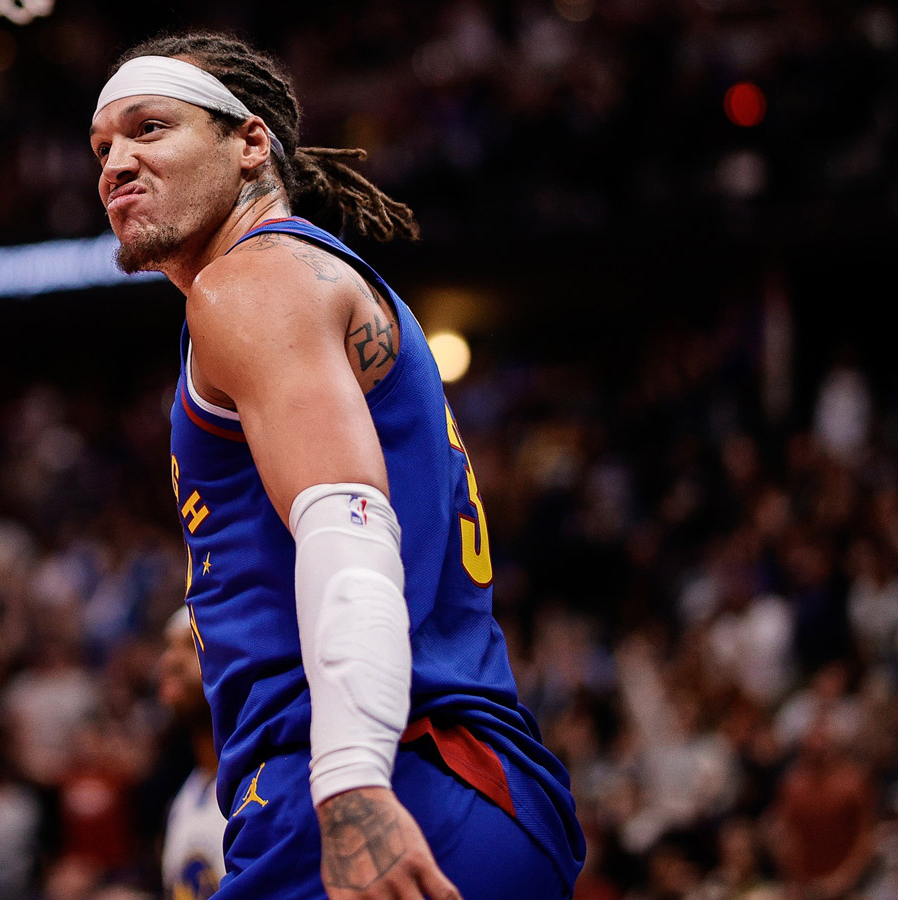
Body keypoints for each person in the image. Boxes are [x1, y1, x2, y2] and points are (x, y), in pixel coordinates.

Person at [88, 31, 586, 900]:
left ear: (250, 144)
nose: (116, 164)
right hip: (445, 778)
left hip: (385, 775)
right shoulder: (301, 281)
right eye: (102, 146)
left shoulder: (255, 282)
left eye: (150, 129)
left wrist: (353, 781)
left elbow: (347, 531)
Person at [157, 606, 227, 900]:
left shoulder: (265, 782)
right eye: (168, 646)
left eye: (190, 645)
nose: (169, 660)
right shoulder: (185, 797)